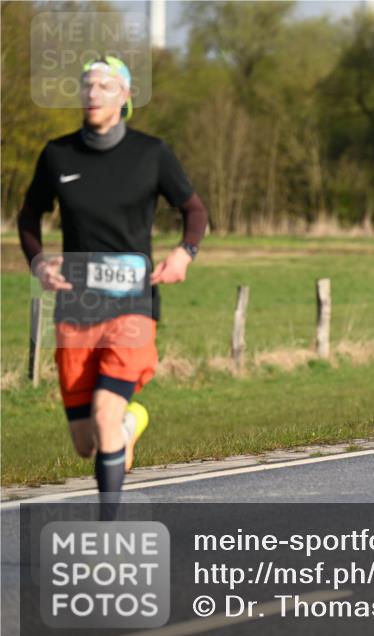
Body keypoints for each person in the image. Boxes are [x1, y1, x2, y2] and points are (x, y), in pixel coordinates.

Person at [16, 56, 207, 512]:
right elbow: (29, 216)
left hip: (132, 305)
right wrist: (39, 262)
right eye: (86, 84)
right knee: (87, 442)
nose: (92, 92)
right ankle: (130, 424)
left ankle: (110, 528)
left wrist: (185, 252)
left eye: (103, 84)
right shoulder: (58, 154)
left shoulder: (151, 153)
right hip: (76, 309)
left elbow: (194, 209)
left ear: (125, 95)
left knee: (104, 411)